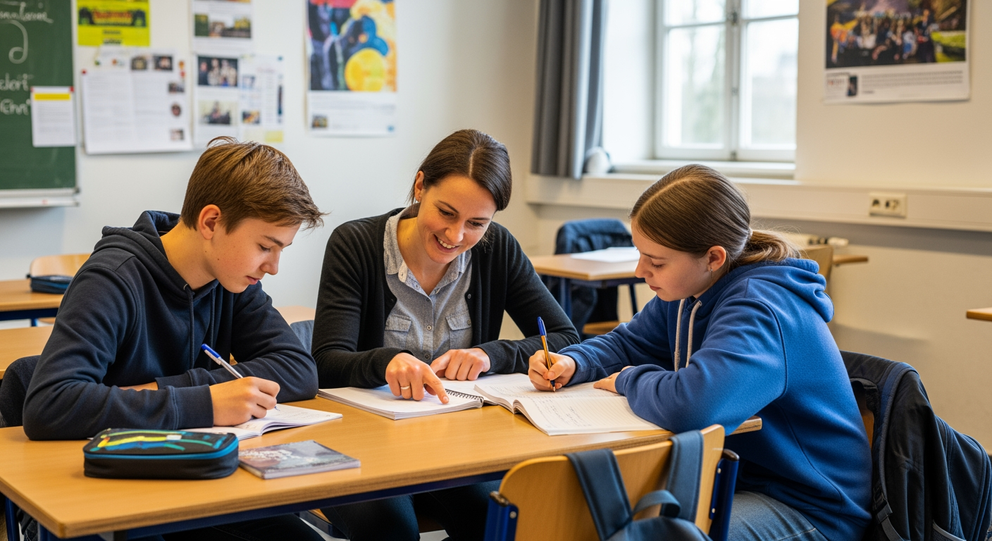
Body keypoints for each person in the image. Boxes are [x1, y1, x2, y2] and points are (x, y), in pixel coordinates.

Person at [528, 164, 872, 541]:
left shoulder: (760, 306)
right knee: (587, 517)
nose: (641, 270)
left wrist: (628, 379)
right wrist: (575, 361)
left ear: (713, 257)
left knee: (644, 536)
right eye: (640, 254)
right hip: (733, 476)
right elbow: (630, 342)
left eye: (656, 261)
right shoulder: (690, 290)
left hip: (809, 505)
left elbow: (695, 407)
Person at [23, 137, 327, 541]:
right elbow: (50, 404)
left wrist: (168, 391)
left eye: (281, 250)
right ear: (211, 222)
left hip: (192, 478)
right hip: (104, 490)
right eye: (265, 247)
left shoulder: (232, 280)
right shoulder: (113, 279)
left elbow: (298, 369)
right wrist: (205, 403)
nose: (273, 267)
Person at [313, 128, 579, 540]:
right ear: (420, 187)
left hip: (458, 446)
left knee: (495, 518)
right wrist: (386, 362)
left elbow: (564, 337)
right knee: (390, 529)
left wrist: (492, 354)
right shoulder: (356, 244)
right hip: (364, 445)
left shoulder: (497, 249)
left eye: (476, 223)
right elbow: (326, 362)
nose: (456, 236)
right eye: (447, 213)